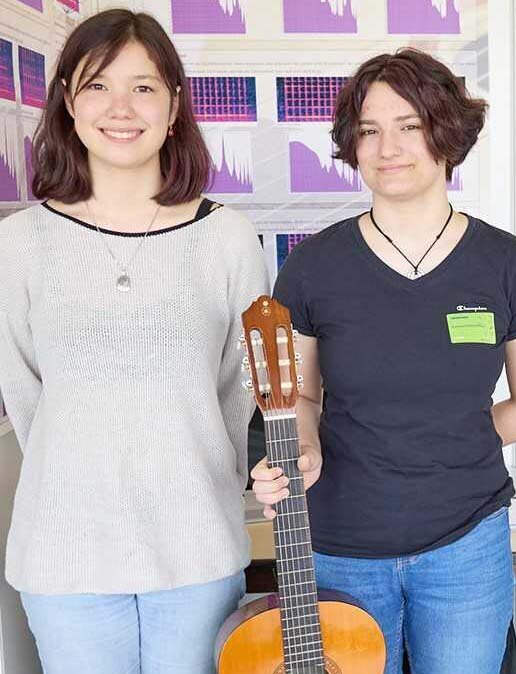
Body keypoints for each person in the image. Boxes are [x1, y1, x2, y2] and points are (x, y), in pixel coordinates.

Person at [251, 48, 516, 674]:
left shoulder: (507, 264)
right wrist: (302, 448)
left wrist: (444, 440)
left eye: (409, 125)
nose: (387, 146)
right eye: (368, 130)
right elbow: (301, 397)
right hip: (340, 543)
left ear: (446, 131)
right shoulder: (314, 267)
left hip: (467, 545)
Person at [0, 10, 268, 674]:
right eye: (97, 86)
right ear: (67, 101)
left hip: (197, 547)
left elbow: (240, 389)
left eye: (144, 87)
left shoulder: (227, 236)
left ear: (175, 106)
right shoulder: (20, 244)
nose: (121, 108)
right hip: (64, 552)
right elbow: (25, 394)